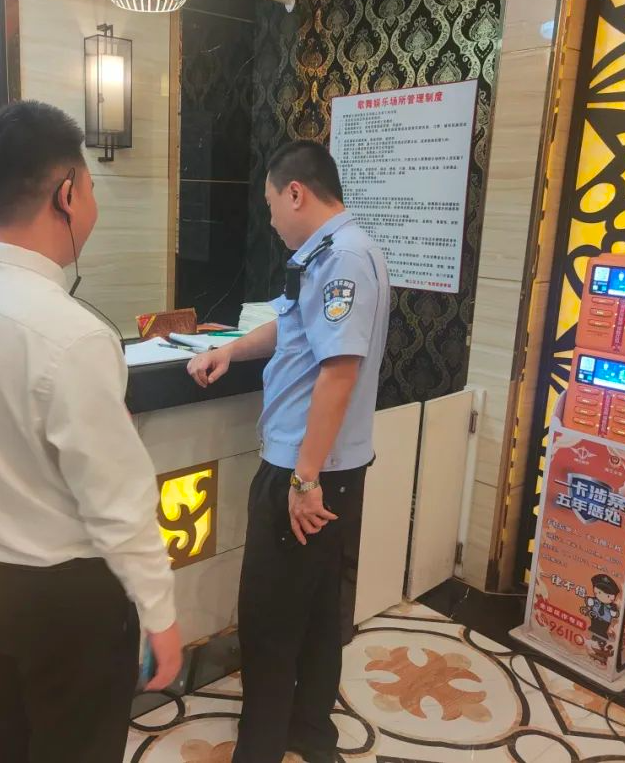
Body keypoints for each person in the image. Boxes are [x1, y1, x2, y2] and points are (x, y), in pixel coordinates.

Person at [0, 100, 182, 762]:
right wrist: (160, 614)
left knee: (1, 746)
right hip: (63, 601)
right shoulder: (75, 335)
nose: (93, 203)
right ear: (66, 195)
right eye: (90, 186)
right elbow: (119, 503)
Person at [187, 140, 390, 762]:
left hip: (306, 471)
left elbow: (338, 371)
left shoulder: (342, 258)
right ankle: (309, 733)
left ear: (295, 193)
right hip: (326, 469)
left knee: (270, 619)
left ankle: (261, 749)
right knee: (316, 613)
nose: (271, 220)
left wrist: (304, 480)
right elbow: (293, 324)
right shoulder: (334, 252)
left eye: (272, 204)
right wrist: (230, 350)